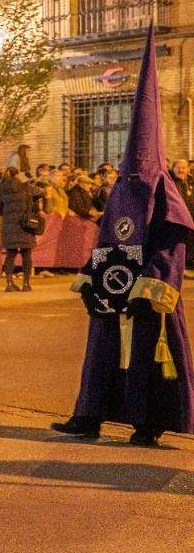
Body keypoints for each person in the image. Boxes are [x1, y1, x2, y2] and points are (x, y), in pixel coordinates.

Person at [56, 29, 193, 447]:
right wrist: (89, 275)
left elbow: (172, 243)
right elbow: (107, 237)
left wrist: (150, 282)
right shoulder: (121, 187)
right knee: (100, 352)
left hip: (146, 294)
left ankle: (147, 422)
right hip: (110, 287)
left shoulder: (162, 190)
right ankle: (89, 414)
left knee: (147, 357)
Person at [0, 168, 42, 292]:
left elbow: (0, 210)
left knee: (10, 254)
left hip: (8, 225)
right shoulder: (26, 188)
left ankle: (9, 283)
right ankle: (26, 284)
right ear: (18, 175)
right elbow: (41, 192)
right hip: (25, 224)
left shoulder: (2, 189)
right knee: (26, 254)